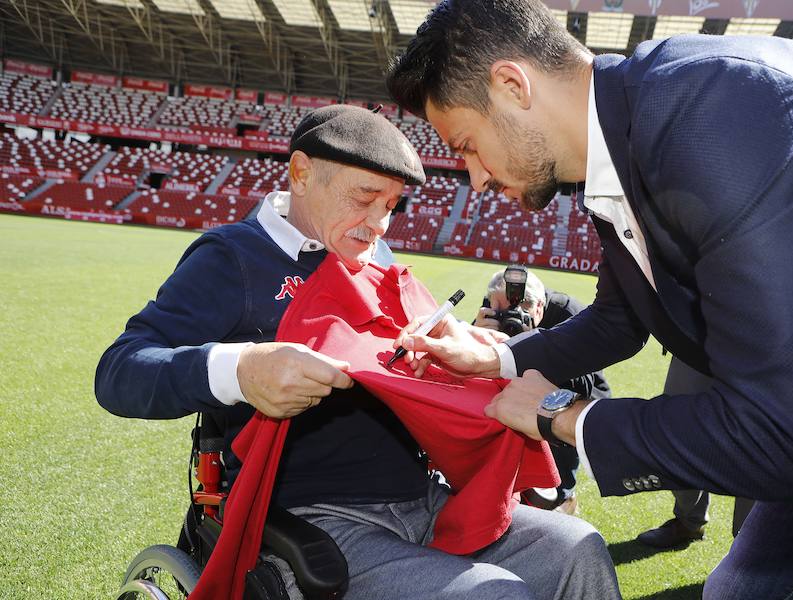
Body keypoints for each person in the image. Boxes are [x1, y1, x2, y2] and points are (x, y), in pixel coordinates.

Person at [386, 1, 793, 597]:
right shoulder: (627, 138)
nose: (474, 178)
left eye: (468, 144)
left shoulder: (715, 110)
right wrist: (499, 358)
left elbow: (779, 436)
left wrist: (565, 415)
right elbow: (618, 319)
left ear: (511, 85)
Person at [95, 104, 620, 600]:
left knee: (580, 548)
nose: (379, 223)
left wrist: (458, 343)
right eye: (363, 197)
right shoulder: (232, 259)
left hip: (426, 495)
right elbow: (119, 370)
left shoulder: (374, 253)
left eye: (391, 205)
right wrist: (242, 368)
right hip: (312, 514)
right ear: (301, 174)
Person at [475, 265, 612, 514]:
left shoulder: (572, 315)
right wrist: (478, 334)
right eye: (502, 310)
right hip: (519, 379)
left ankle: (564, 496)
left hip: (580, 389)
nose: (511, 319)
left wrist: (533, 347)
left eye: (521, 310)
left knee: (560, 426)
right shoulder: (493, 311)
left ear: (540, 306)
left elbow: (581, 385)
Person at [636, 357, 755, 549]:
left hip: (772, 337)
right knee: (676, 426)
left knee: (758, 439)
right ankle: (689, 521)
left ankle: (750, 551)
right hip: (698, 335)